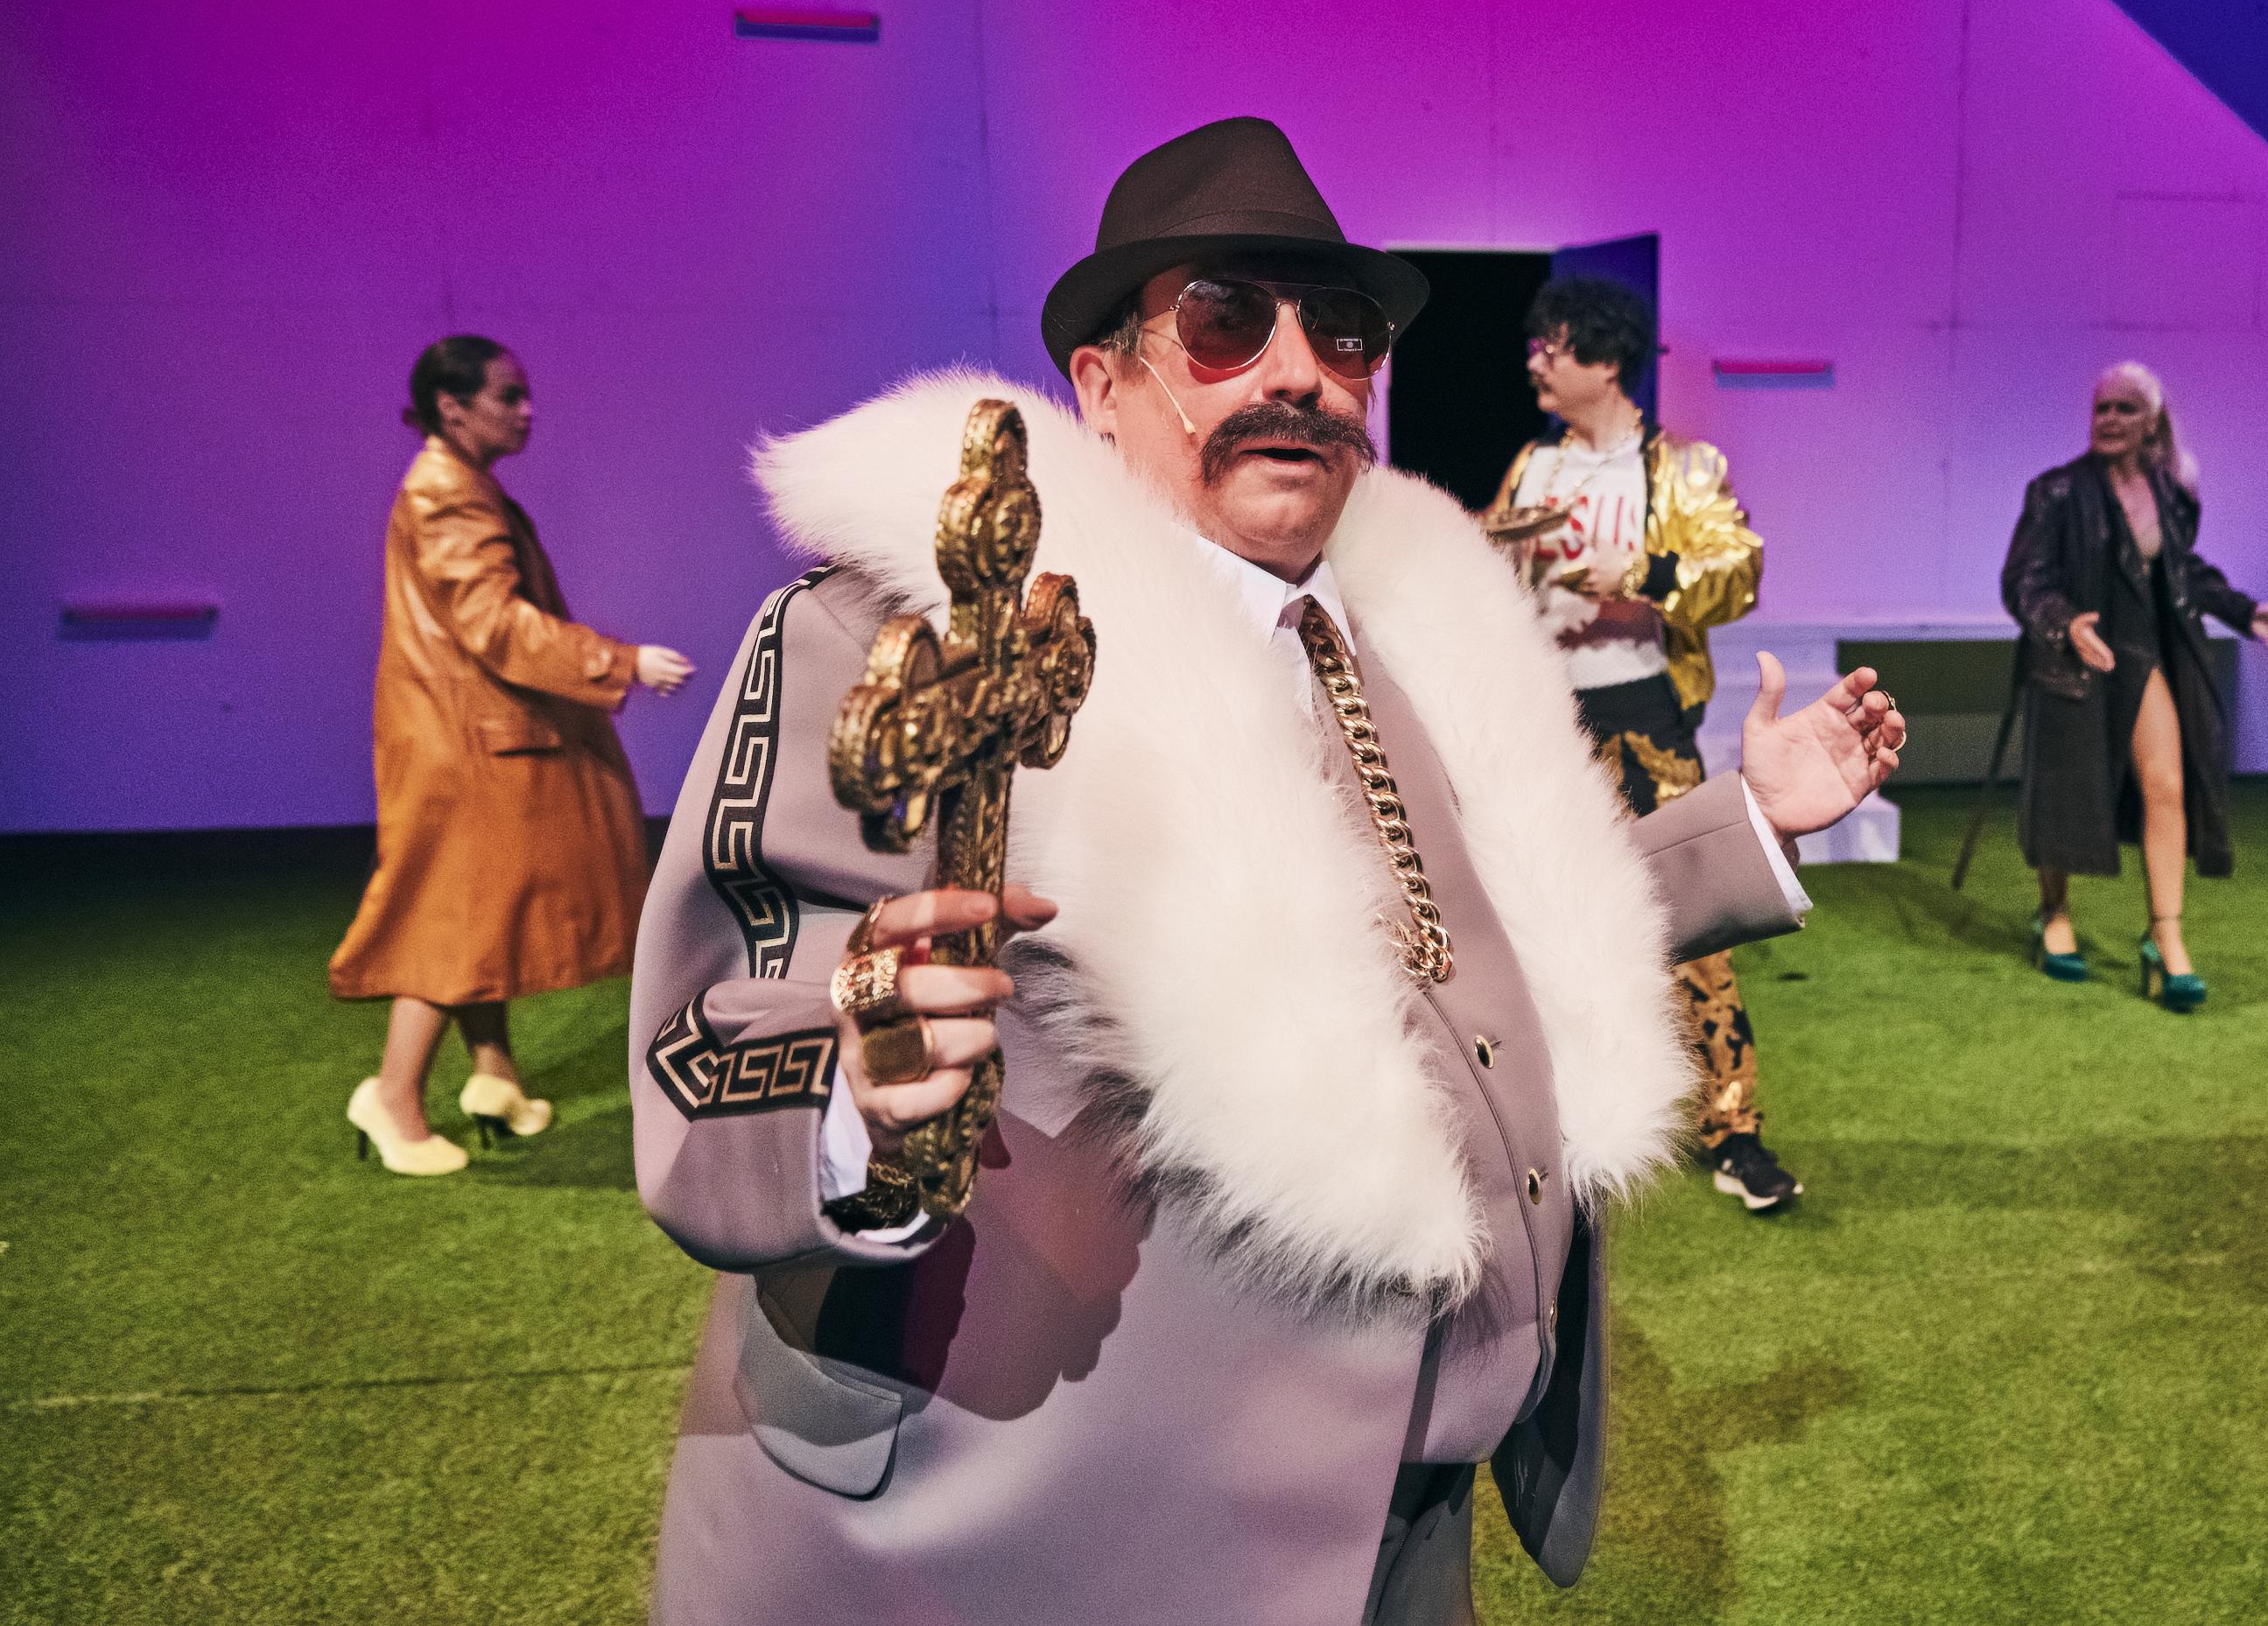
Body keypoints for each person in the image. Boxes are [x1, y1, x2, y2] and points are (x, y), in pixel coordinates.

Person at [630, 118, 1903, 1624]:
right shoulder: (904, 638)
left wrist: (1749, 821)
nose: (1298, 371)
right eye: (1228, 321)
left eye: (1342, 332)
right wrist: (859, 1089)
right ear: (1102, 384)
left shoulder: (1400, 638)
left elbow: (1481, 945)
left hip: (1397, 1527)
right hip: (1049, 1543)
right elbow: (703, 1039)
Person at [331, 335, 694, 1174]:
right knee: (450, 922)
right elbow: (493, 624)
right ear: (452, 407)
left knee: (479, 911)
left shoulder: (458, 483)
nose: (527, 411)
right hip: (464, 744)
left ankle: (493, 1077)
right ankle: (393, 1097)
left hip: (463, 733)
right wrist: (620, 661)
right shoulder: (445, 494)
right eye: (507, 396)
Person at [1485, 275, 1795, 1214]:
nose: (1534, 361)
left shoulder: (1682, 469)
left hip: (1646, 714)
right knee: (1533, 917)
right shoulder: (1531, 466)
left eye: (1551, 345)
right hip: (1543, 719)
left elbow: (1738, 570)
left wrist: (1647, 570)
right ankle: (1541, 1120)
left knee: (1695, 918)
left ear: (1605, 358)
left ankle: (1734, 1131)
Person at [1999, 361, 2268, 1009]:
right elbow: (2024, 580)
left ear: (2152, 421)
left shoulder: (2171, 494)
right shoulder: (2055, 491)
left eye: (2125, 409)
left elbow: (2184, 571)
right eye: (2101, 407)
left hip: (2141, 656)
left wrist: (2247, 612)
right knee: (2064, 794)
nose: (2109, 419)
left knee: (2167, 785)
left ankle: (2165, 935)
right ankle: (2053, 912)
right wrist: (2062, 623)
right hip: (2073, 660)